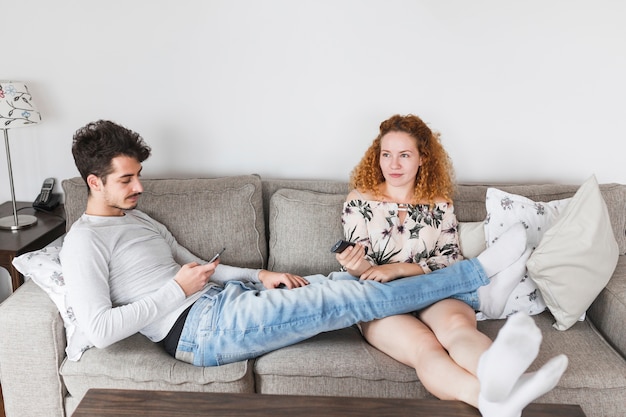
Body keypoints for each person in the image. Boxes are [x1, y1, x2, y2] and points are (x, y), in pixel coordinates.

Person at [61, 119, 528, 370]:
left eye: (139, 174)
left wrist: (258, 275)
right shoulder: (82, 244)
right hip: (198, 332)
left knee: (329, 282)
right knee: (343, 294)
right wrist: (175, 293)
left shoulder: (137, 218)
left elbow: (198, 267)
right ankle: (478, 276)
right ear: (93, 182)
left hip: (225, 302)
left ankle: (481, 314)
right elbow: (101, 330)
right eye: (127, 178)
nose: (139, 186)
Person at [335, 114, 568, 417]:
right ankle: (493, 401)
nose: (393, 165)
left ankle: (501, 378)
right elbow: (361, 265)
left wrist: (400, 268)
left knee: (457, 329)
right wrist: (353, 265)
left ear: (422, 159)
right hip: (381, 298)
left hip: (434, 290)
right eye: (386, 155)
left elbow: (449, 258)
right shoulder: (359, 201)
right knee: (425, 347)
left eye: (404, 155)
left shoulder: (439, 204)